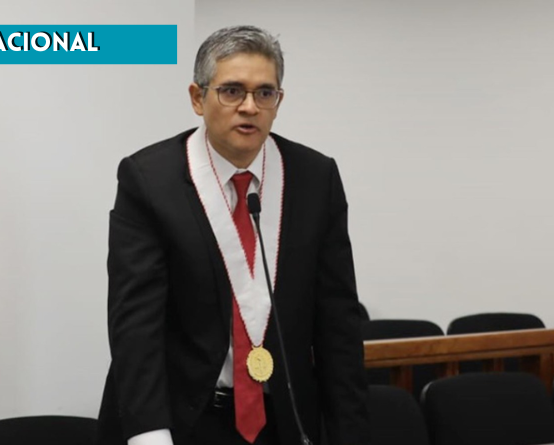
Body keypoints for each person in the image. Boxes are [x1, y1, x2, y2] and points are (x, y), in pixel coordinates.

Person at [96, 25, 369, 445]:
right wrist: (151, 434)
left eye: (265, 93)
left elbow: (338, 322)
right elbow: (135, 326)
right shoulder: (149, 179)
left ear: (278, 101)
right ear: (197, 98)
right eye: (232, 91)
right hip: (184, 418)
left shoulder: (315, 177)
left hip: (284, 420)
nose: (249, 107)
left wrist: (349, 432)